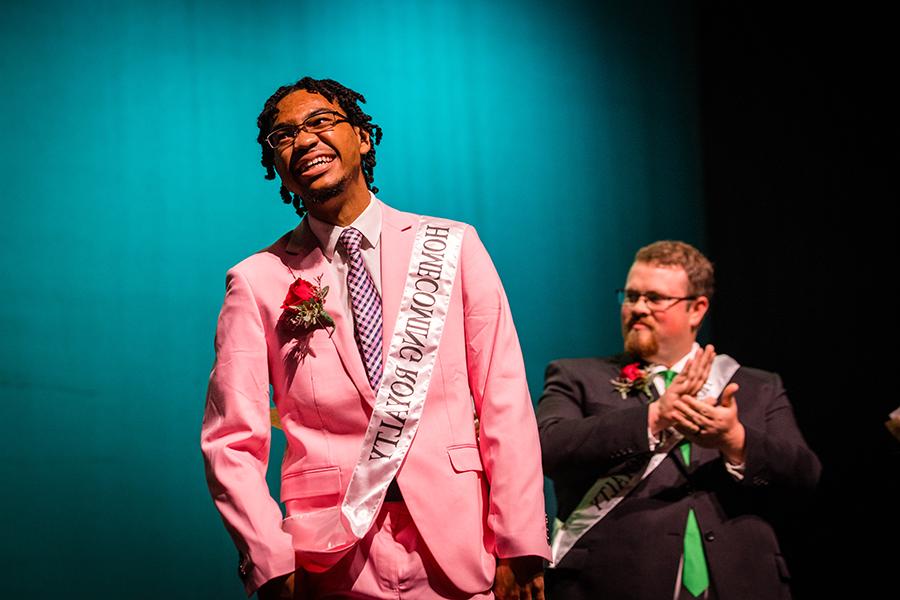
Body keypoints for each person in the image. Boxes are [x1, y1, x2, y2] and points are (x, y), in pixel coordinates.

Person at [200, 76, 549, 599]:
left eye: (320, 122)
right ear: (275, 165)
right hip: (329, 559)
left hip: (461, 548)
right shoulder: (256, 280)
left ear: (363, 137)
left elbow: (505, 400)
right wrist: (270, 561)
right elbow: (231, 440)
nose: (303, 140)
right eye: (284, 135)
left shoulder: (453, 246)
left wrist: (520, 541)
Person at [536, 240, 820, 599]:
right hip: (616, 581)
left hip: (741, 581)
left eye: (654, 298)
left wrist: (734, 439)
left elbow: (805, 475)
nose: (637, 308)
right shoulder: (576, 376)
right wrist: (654, 417)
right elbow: (546, 447)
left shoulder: (757, 386)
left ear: (697, 309)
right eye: (631, 295)